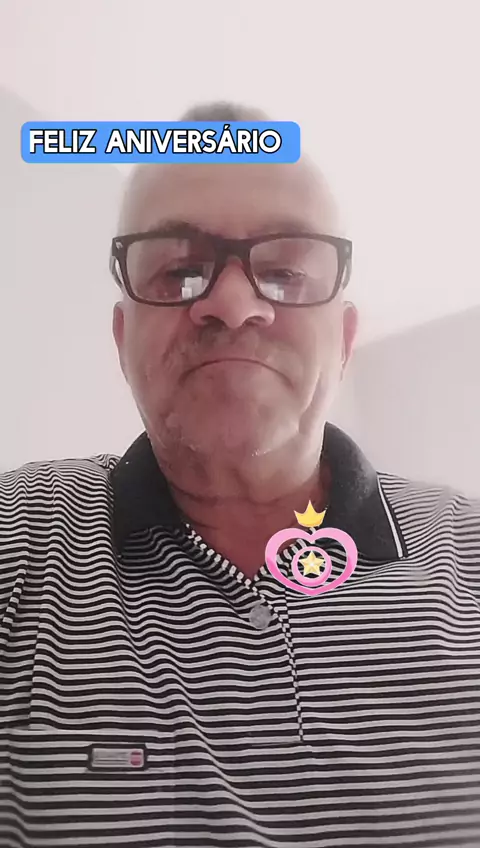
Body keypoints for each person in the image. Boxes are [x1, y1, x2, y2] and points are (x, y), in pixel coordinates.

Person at [0, 102, 479, 848]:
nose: (231, 303)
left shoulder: (468, 550)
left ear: (344, 339)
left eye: (285, 271)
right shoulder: (20, 532)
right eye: (178, 270)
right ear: (123, 340)